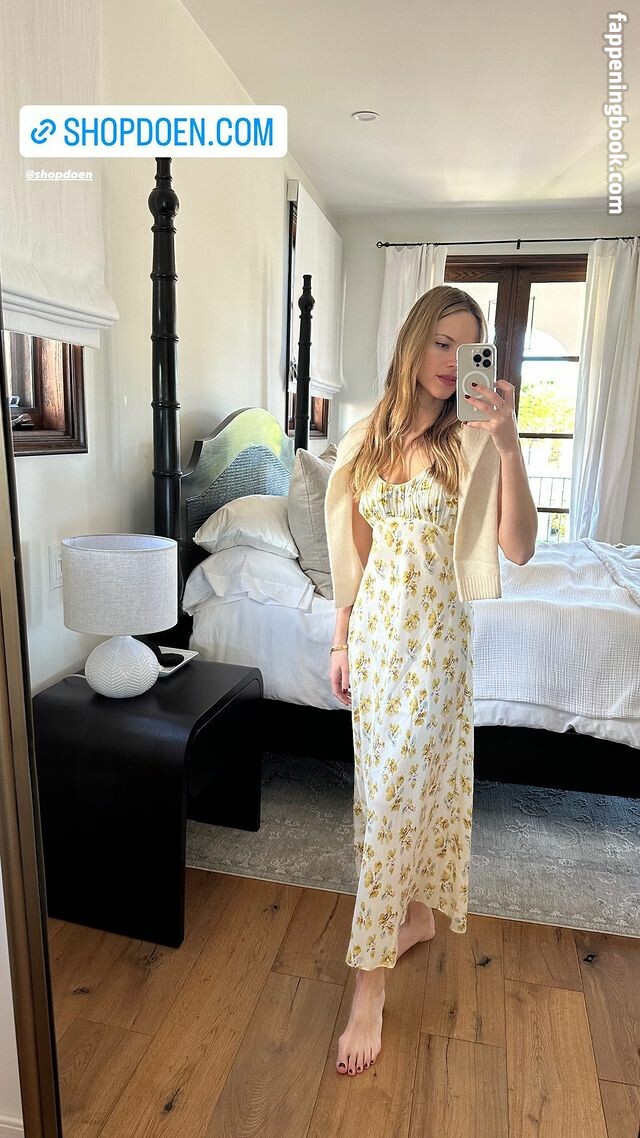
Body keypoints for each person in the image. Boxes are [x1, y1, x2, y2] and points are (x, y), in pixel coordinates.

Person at [325, 285, 538, 1078]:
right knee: (387, 793)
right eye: (441, 343)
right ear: (414, 343)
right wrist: (340, 639)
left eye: (467, 347)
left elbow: (518, 548)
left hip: (437, 651)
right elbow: (352, 551)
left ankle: (369, 989)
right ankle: (412, 916)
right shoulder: (367, 436)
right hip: (377, 646)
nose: (452, 362)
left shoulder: (476, 439)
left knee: (400, 801)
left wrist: (509, 445)